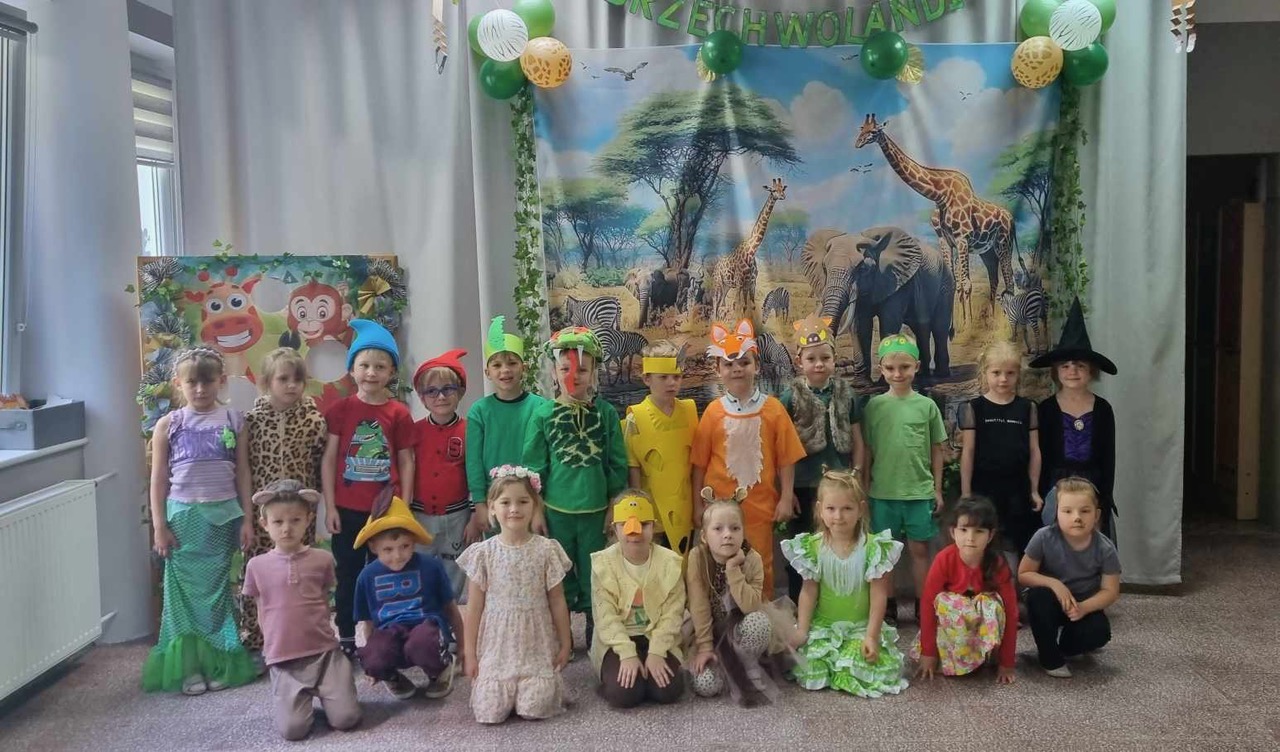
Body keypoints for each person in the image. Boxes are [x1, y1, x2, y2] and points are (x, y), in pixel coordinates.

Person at [142, 347, 257, 694]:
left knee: (218, 593)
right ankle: (190, 666)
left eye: (207, 382)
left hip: (223, 516)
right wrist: (159, 526)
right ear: (179, 384)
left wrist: (247, 519)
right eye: (192, 383)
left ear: (220, 382)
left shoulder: (234, 420)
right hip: (183, 518)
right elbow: (158, 480)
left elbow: (243, 473)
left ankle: (219, 662)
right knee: (182, 596)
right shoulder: (169, 424)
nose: (200, 389)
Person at [523, 327, 628, 644]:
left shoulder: (605, 413)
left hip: (596, 510)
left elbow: (617, 463)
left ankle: (598, 630)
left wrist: (614, 505)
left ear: (594, 372)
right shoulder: (543, 414)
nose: (574, 376)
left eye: (582, 369)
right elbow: (534, 468)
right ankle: (563, 633)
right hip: (557, 512)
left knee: (597, 571)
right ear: (554, 372)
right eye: (565, 368)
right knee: (560, 573)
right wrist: (536, 509)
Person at [322, 319, 416, 657]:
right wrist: (330, 506)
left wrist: (404, 504)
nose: (371, 373)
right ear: (352, 369)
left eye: (380, 366)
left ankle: (384, 632)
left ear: (391, 371)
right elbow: (329, 459)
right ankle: (347, 637)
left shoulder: (399, 413)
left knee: (385, 573)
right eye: (364, 365)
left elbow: (406, 461)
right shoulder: (341, 409)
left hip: (385, 510)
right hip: (347, 510)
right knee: (348, 575)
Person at [692, 319, 806, 598]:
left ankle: (760, 612)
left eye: (744, 362)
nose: (737, 369)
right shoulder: (713, 412)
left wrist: (786, 497)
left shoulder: (773, 409)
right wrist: (697, 505)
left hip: (759, 505)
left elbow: (786, 459)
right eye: (729, 364)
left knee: (759, 562)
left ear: (756, 366)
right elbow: (699, 465)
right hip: (718, 507)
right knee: (717, 563)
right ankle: (721, 616)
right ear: (718, 370)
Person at [242, 481, 360, 741]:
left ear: (308, 520)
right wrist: (270, 647)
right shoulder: (256, 566)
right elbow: (261, 608)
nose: (287, 528)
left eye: (295, 520)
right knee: (293, 731)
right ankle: (298, 698)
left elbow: (324, 597)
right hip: (285, 660)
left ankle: (334, 690)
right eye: (278, 522)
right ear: (265, 524)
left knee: (347, 719)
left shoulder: (323, 559)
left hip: (324, 653)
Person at [236, 347, 329, 667]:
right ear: (266, 382)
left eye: (298, 379)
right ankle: (256, 639)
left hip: (299, 514)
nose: (292, 385)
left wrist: (316, 511)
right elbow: (245, 470)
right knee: (260, 574)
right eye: (283, 379)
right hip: (264, 516)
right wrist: (248, 516)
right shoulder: (251, 421)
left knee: (299, 573)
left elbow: (320, 467)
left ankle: (303, 637)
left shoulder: (314, 420)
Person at [458, 466, 572, 724]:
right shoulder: (484, 553)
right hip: (497, 648)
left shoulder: (546, 550)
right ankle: (503, 688)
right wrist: (470, 653)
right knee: (490, 712)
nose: (514, 509)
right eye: (505, 502)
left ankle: (530, 687)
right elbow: (473, 607)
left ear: (535, 506)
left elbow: (557, 601)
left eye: (522, 502)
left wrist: (565, 643)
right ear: (492, 508)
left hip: (536, 646)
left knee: (535, 708)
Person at [782, 469, 907, 697]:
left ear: (861, 509)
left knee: (859, 665)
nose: (838, 516)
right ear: (820, 510)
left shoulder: (872, 548)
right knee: (812, 669)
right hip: (824, 627)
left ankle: (856, 652)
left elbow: (878, 595)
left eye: (847, 508)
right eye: (831, 509)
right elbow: (808, 592)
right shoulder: (813, 547)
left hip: (860, 628)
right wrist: (802, 629)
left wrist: (871, 636)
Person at [861, 333, 947, 622]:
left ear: (917, 367)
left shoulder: (927, 406)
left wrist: (937, 489)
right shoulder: (874, 407)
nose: (897, 374)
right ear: (881, 369)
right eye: (890, 368)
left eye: (904, 367)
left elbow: (937, 449)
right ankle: (888, 607)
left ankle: (924, 605)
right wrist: (864, 488)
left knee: (920, 550)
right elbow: (867, 450)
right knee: (884, 554)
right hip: (882, 493)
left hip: (918, 492)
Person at [781, 313, 866, 601]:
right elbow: (781, 448)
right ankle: (799, 602)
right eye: (812, 359)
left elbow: (858, 439)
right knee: (802, 545)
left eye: (825, 358)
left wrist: (857, 474)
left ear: (834, 359)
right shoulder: (790, 397)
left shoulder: (846, 393)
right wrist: (787, 492)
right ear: (799, 361)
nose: (819, 364)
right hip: (803, 485)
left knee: (837, 543)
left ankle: (835, 600)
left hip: (839, 484)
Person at [352, 488, 465, 700]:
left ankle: (440, 670)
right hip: (390, 631)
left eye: (404, 546)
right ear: (373, 547)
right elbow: (367, 623)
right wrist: (375, 661)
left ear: (414, 541)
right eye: (388, 549)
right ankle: (392, 676)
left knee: (421, 643)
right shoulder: (366, 576)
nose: (397, 556)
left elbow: (451, 609)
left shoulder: (431, 567)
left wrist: (463, 647)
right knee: (373, 656)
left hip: (426, 629)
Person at [686, 489, 784, 706]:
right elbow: (698, 604)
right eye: (718, 529)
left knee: (759, 622)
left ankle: (750, 663)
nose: (727, 534)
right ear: (704, 536)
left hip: (741, 626)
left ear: (743, 532)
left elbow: (750, 606)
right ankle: (722, 669)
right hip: (707, 631)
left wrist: (733, 569)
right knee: (706, 686)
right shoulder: (697, 557)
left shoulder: (752, 559)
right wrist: (705, 647)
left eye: (735, 528)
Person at [590, 491, 687, 708]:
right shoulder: (603, 564)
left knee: (668, 690)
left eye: (643, 524)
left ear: (654, 526)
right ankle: (617, 678)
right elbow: (605, 617)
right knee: (624, 693)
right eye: (625, 525)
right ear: (615, 529)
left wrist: (657, 652)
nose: (634, 532)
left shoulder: (669, 563)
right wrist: (627, 654)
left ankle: (646, 671)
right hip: (618, 640)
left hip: (656, 636)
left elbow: (673, 613)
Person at [1031, 298, 1119, 538]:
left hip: (1092, 488)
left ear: (1091, 371)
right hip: (1056, 489)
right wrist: (1042, 493)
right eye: (1065, 366)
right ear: (1056, 371)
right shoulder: (1046, 409)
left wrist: (1104, 497)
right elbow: (1040, 455)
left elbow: (1108, 459)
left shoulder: (1102, 409)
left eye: (1080, 365)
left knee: (1090, 545)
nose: (1072, 371)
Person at [1018, 477, 1120, 678]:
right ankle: (1049, 657)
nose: (1077, 517)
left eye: (1085, 511)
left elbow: (1111, 591)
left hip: (1082, 605)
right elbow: (1024, 574)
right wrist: (1054, 584)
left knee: (1099, 631)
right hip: (1050, 601)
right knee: (1038, 598)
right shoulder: (1043, 537)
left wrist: (1084, 608)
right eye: (1067, 511)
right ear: (1056, 513)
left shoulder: (1105, 548)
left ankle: (1066, 647)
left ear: (1097, 515)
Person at [914, 497, 1019, 684]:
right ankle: (952, 657)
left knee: (991, 604)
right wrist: (928, 652)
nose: (970, 538)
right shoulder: (944, 559)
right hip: (953, 631)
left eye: (979, 531)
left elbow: (1011, 611)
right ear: (953, 532)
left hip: (980, 627)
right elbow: (928, 604)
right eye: (964, 530)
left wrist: (1007, 663)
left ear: (990, 535)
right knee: (946, 602)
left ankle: (985, 655)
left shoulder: (997, 564)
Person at [959, 340, 1043, 558]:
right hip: (984, 488)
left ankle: (1017, 579)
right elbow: (968, 452)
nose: (1003, 379)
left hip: (1018, 489)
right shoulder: (974, 408)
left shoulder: (1027, 408)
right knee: (984, 543)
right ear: (985, 373)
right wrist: (966, 493)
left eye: (1010, 373)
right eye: (996, 373)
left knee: (1018, 544)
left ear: (1018, 374)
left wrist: (1034, 489)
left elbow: (1035, 451)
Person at [466, 316, 549, 533]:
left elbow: (544, 458)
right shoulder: (479, 411)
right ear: (487, 372)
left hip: (530, 500)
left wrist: (538, 505)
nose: (505, 370)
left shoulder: (541, 407)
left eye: (512, 363)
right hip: (495, 501)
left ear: (524, 367)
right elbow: (473, 462)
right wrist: (480, 503)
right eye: (497, 365)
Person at [411, 348, 482, 600]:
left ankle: (452, 618)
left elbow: (475, 474)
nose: (440, 396)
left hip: (457, 516)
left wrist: (474, 517)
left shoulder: (470, 430)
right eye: (432, 391)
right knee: (421, 568)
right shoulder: (414, 431)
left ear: (460, 392)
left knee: (455, 568)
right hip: (420, 515)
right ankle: (426, 615)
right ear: (422, 398)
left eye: (448, 389)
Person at [622, 339, 698, 556]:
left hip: (685, 510)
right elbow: (633, 469)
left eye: (676, 377)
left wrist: (698, 505)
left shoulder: (689, 411)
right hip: (655, 514)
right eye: (663, 377)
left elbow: (696, 464)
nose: (671, 383)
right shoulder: (635, 418)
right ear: (647, 378)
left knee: (685, 563)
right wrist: (640, 512)